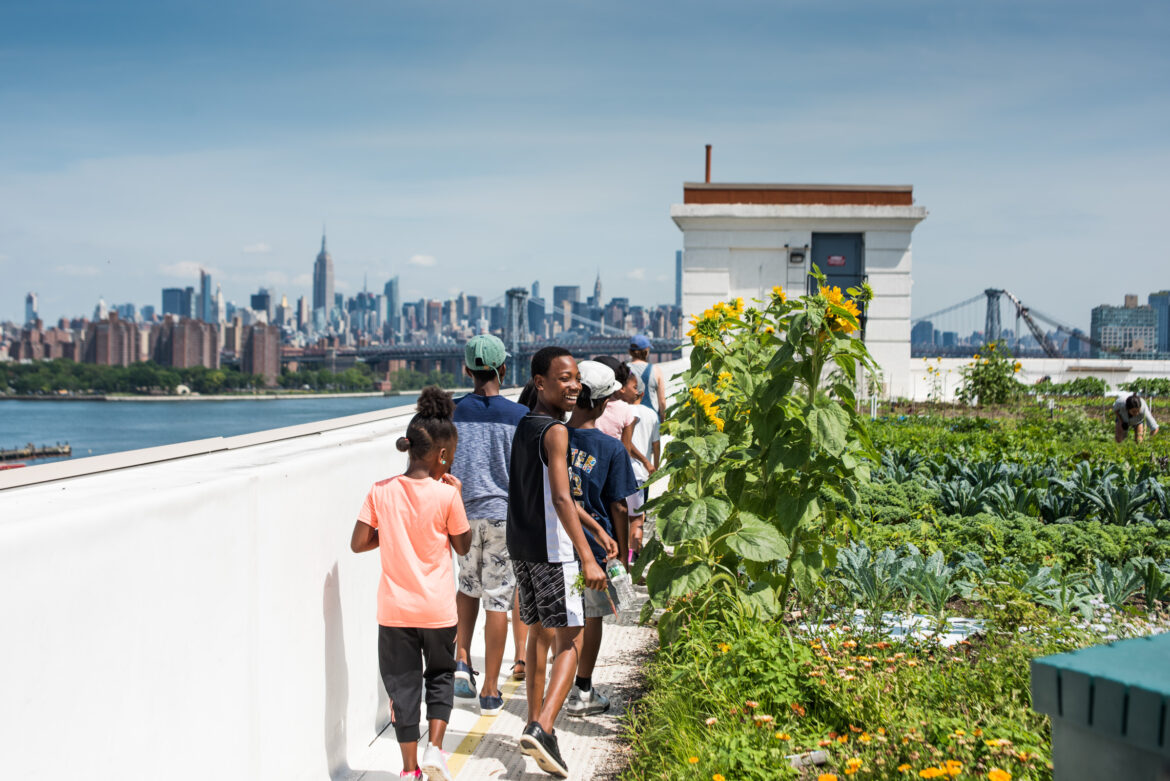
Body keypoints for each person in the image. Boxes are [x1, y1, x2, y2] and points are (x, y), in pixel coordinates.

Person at [349, 387, 472, 781]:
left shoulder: (380, 491)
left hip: (395, 611)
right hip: (437, 609)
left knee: (402, 688)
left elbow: (358, 543)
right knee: (439, 677)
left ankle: (409, 770)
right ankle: (436, 750)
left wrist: (396, 532)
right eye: (448, 456)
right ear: (440, 455)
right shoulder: (445, 494)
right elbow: (463, 545)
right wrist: (458, 497)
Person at [508, 346, 607, 778]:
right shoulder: (556, 431)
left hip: (523, 549)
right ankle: (544, 726)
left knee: (538, 637)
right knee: (573, 638)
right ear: (540, 383)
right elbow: (563, 496)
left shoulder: (525, 424)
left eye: (576, 378)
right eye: (563, 378)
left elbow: (554, 491)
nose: (573, 385)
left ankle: (534, 723)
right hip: (553, 553)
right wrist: (589, 557)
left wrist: (596, 527)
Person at [450, 334, 530, 715]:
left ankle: (462, 660)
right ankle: (491, 690)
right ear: (503, 369)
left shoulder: (449, 414)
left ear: (466, 370)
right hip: (503, 517)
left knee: (467, 587)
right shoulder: (520, 418)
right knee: (498, 599)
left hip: (460, 516)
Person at [563, 361, 638, 718]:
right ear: (606, 401)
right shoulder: (611, 449)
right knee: (592, 618)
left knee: (559, 619)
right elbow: (619, 507)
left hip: (556, 546)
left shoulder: (552, 437)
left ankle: (555, 685)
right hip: (595, 548)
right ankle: (582, 688)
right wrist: (620, 554)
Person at [592, 355, 655, 479]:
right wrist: (645, 461)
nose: (637, 392)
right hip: (614, 470)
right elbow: (626, 448)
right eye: (634, 387)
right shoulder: (627, 410)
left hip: (591, 466)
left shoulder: (588, 407)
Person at [625, 372, 661, 557]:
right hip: (642, 475)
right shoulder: (651, 415)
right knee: (638, 518)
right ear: (643, 394)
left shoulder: (623, 412)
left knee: (622, 517)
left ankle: (623, 555)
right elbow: (656, 445)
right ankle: (634, 557)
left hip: (623, 471)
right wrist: (654, 466)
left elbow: (626, 444)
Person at [627, 334, 667, 421]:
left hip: (628, 419)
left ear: (630, 351)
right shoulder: (656, 370)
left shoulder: (623, 369)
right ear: (646, 351)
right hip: (651, 419)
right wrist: (662, 421)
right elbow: (662, 401)